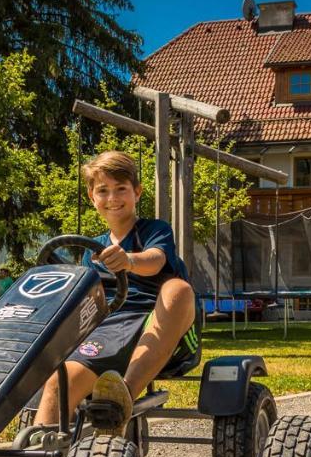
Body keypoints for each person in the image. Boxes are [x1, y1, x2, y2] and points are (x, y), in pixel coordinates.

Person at [33, 150, 197, 437]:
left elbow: (156, 259)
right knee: (58, 383)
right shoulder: (92, 250)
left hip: (156, 322)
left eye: (121, 189)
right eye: (103, 191)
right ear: (91, 197)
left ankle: (120, 399)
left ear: (137, 192)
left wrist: (130, 261)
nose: (112, 198)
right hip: (109, 328)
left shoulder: (154, 230)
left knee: (177, 289)